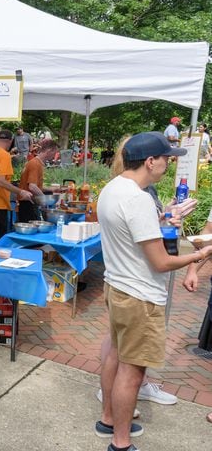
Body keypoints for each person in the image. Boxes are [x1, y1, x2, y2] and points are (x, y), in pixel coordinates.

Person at [96, 132, 212, 451]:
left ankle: (108, 419)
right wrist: (199, 255)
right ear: (150, 161)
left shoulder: (114, 188)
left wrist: (163, 217)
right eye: (166, 159)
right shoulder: (137, 198)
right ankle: (121, 442)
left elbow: (131, 228)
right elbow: (161, 262)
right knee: (132, 372)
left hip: (117, 285)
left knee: (117, 356)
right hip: (140, 296)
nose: (167, 164)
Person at [17, 139, 58, 223]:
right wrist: (45, 200)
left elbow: (36, 186)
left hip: (29, 203)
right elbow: (32, 187)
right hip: (28, 204)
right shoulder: (35, 164)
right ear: (49, 151)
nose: (54, 156)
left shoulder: (36, 163)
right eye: (54, 153)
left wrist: (51, 189)